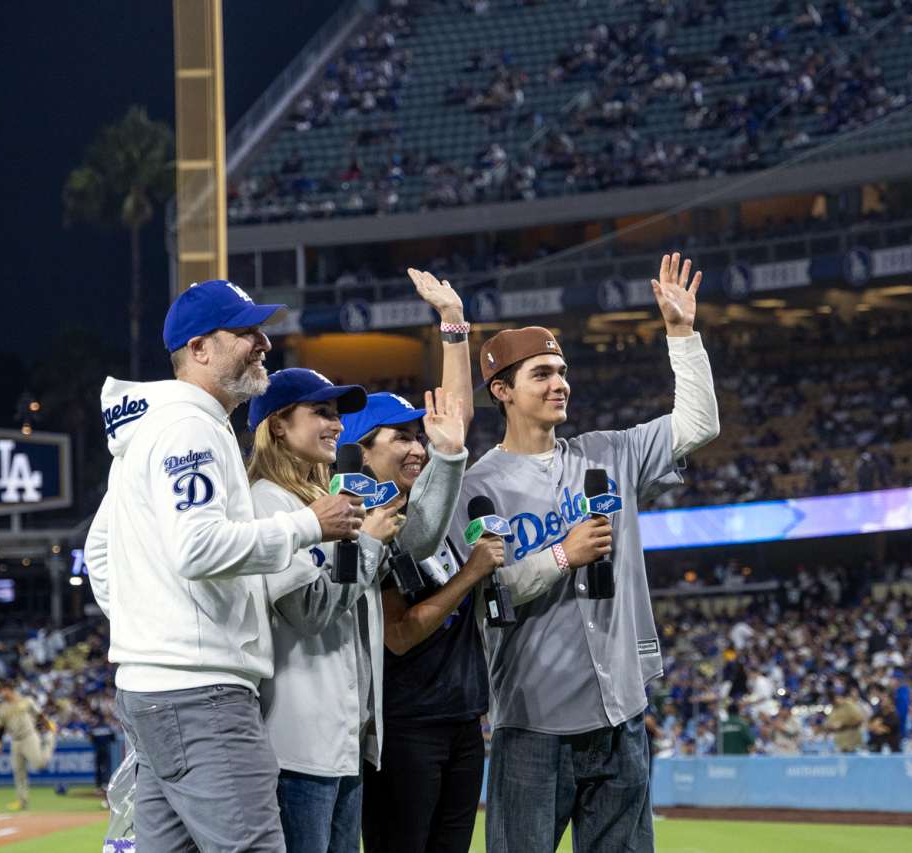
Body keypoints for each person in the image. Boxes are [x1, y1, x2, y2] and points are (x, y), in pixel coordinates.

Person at [85, 280, 367, 852]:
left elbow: (99, 550)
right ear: (199, 349)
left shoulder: (153, 429)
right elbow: (198, 547)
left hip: (156, 692)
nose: (263, 342)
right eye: (244, 332)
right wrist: (309, 525)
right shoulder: (190, 425)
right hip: (201, 697)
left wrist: (151, 629)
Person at [451, 252, 719, 853]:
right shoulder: (476, 486)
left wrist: (681, 333)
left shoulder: (609, 454)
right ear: (503, 390)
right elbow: (490, 590)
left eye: (562, 370)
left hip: (621, 712)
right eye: (541, 374)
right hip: (533, 720)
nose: (559, 383)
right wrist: (564, 556)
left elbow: (698, 425)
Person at [246, 368, 427, 853]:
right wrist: (366, 547)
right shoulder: (267, 503)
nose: (337, 425)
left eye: (337, 415)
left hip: (343, 741)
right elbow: (307, 611)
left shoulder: (328, 503)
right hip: (297, 743)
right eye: (321, 412)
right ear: (279, 425)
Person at [355, 270, 496, 853]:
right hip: (404, 725)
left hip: (463, 718)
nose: (418, 446)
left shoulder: (430, 503)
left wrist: (454, 326)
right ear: (361, 448)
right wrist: (472, 574)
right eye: (401, 437)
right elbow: (399, 636)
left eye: (420, 435)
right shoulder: (365, 522)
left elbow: (453, 427)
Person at [0, 681, 57, 811]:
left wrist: (48, 726)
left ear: (9, 689)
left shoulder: (26, 701)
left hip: (29, 736)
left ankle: (49, 740)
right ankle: (22, 802)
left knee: (39, 764)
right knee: (18, 772)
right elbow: (0, 727)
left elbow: (39, 715)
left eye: (2, 690)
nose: (1, 693)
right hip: (15, 741)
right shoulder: (2, 708)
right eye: (0, 690)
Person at [825, 685, 866, 753]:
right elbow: (829, 724)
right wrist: (831, 726)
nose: (833, 699)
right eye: (831, 698)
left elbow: (859, 719)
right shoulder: (833, 708)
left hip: (852, 742)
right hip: (840, 743)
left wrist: (843, 724)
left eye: (834, 696)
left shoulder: (848, 705)